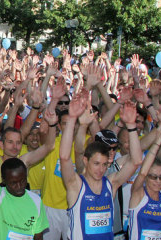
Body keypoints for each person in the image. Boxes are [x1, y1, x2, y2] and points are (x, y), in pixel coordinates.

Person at [60, 91, 142, 240]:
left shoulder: (111, 184)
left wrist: (131, 126)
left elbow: (136, 161)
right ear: (86, 161)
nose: (101, 169)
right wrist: (72, 118)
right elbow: (65, 157)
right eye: (96, 164)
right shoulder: (76, 185)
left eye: (104, 164)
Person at [0, 107, 57, 240]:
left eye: (18, 142)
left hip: (23, 218)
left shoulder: (24, 161)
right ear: (1, 144)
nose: (15, 146)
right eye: (10, 142)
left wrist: (53, 124)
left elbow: (49, 146)